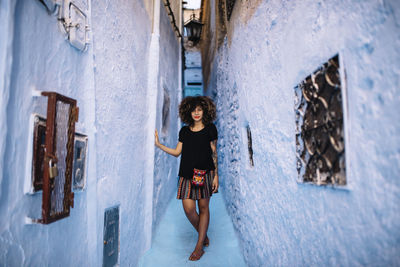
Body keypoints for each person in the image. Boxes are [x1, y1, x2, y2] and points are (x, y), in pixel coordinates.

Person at [154, 96, 219, 261]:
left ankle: (199, 248)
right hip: (187, 176)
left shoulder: (211, 129)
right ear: (188, 112)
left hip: (205, 174)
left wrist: (216, 175)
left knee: (203, 208)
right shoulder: (184, 131)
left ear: (204, 111)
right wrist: (159, 145)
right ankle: (203, 235)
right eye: (193, 110)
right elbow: (177, 153)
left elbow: (213, 153)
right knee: (189, 209)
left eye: (199, 109)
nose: (196, 113)